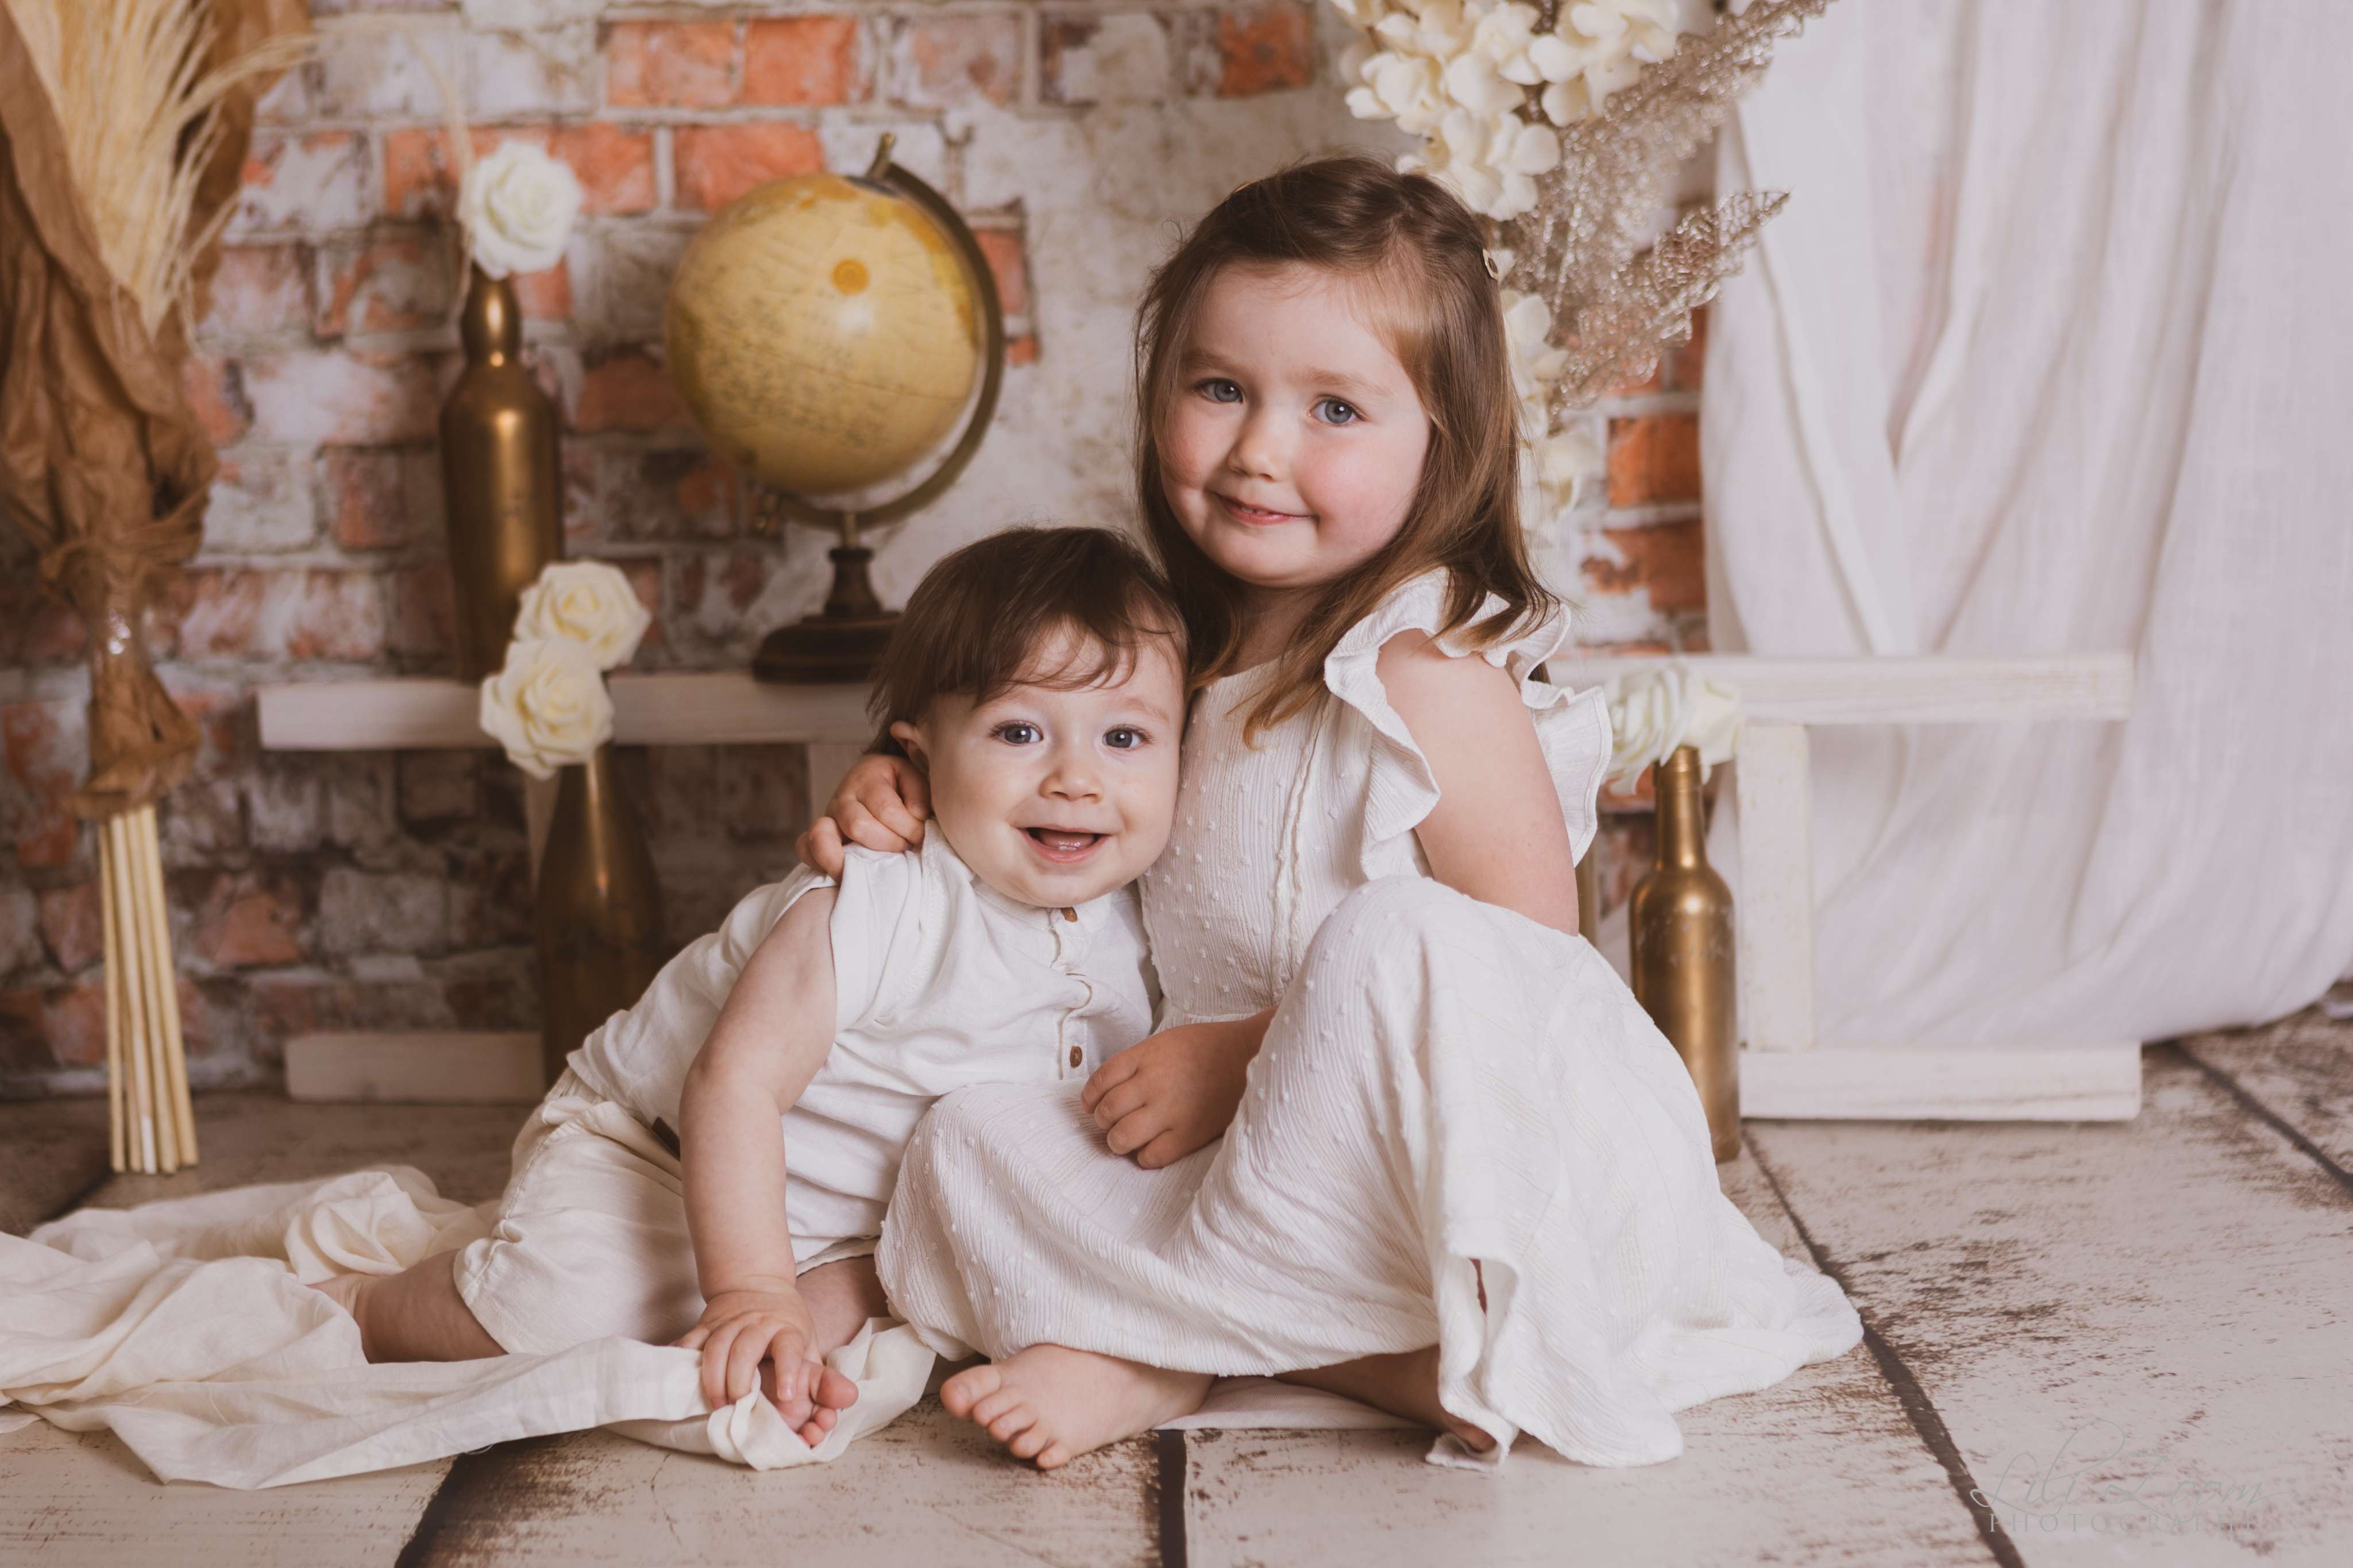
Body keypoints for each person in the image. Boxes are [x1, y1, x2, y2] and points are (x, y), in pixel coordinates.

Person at [802, 156, 1863, 1470]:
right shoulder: (1161, 653)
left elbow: (1518, 970)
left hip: (1468, 1172)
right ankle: (1337, 1353)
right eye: (1219, 388)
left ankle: (1170, 1348)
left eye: (1334, 409)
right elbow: (1052, 805)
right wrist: (913, 787)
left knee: (1389, 937)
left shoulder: (1423, 664)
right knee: (962, 1145)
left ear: (1443, 440)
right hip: (1264, 1182)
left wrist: (1245, 1052)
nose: (1258, 450)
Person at [318, 527, 1188, 1447]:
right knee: (565, 1318)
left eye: (1126, 736)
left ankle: (775, 1310)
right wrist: (752, 1288)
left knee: (819, 1343)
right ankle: (369, 1305)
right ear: (921, 752)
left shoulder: (1143, 916)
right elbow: (732, 1083)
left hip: (850, 1222)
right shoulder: (881, 894)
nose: (1078, 778)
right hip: (656, 1152)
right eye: (1019, 731)